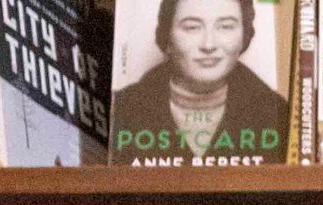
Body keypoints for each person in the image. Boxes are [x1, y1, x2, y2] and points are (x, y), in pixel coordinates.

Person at [109, 0, 290, 164]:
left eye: (226, 26)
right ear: (167, 36)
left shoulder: (278, 115)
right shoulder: (123, 111)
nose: (208, 45)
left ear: (245, 34)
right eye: (192, 28)